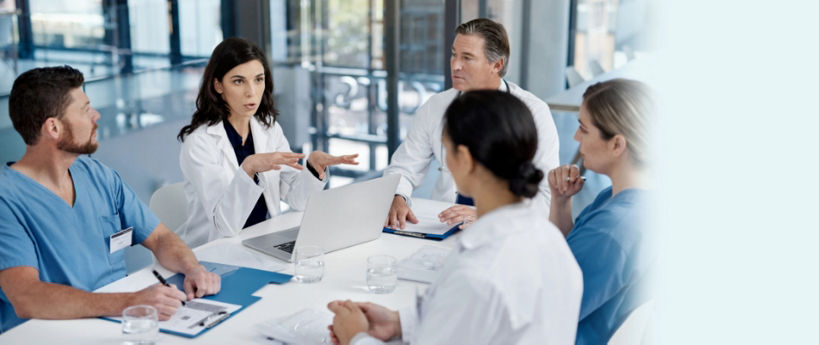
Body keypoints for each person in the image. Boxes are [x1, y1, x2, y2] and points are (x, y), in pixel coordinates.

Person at [328, 91, 582, 345]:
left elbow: (472, 306)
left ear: (465, 159)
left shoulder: (479, 273)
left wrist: (355, 336)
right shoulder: (551, 240)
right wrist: (399, 322)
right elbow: (477, 323)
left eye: (447, 149)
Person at [0, 66, 222, 332]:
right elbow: (26, 296)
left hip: (119, 323)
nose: (97, 115)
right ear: (54, 127)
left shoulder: (98, 176)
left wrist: (193, 268)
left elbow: (160, 237)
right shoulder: (6, 199)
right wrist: (131, 301)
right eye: (85, 110)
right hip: (49, 332)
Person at [177, 38, 357, 247]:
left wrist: (313, 168)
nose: (251, 92)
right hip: (215, 251)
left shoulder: (267, 128)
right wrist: (249, 168)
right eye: (238, 81)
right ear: (218, 86)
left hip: (263, 241)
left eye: (258, 79)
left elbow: (297, 200)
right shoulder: (199, 142)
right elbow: (225, 225)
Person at [383, 18, 558, 231]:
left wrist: (488, 214)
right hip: (443, 224)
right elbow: (404, 166)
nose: (455, 65)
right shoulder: (437, 106)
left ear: (497, 64)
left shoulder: (533, 112)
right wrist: (397, 195)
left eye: (467, 58)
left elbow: (546, 196)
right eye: (454, 54)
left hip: (505, 228)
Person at [547, 79, 654, 344]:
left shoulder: (612, 229)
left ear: (617, 145)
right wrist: (561, 203)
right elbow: (570, 261)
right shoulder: (623, 200)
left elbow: (540, 310)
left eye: (583, 129)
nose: (575, 137)